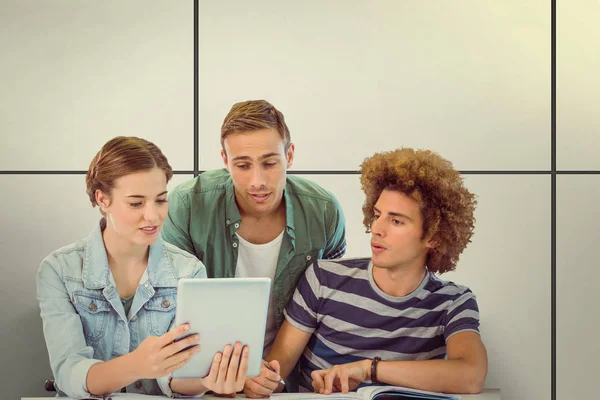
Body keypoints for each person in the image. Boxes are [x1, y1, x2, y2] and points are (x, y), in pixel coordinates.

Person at [244, 148, 488, 397]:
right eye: (377, 215)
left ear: (434, 236)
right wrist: (263, 382)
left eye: (396, 221)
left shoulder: (454, 302)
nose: (377, 229)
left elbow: (470, 376)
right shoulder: (323, 278)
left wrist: (369, 369)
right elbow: (276, 373)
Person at [37, 136, 249, 398]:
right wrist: (137, 365)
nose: (153, 216)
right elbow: (69, 373)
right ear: (103, 199)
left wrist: (208, 382)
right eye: (136, 203)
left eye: (160, 200)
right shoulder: (59, 270)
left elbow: (177, 377)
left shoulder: (188, 270)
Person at [162, 100, 346, 356]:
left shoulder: (324, 211)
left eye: (269, 163)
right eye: (243, 165)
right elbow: (169, 309)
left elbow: (330, 304)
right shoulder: (186, 206)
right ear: (225, 160)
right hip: (203, 370)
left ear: (289, 155)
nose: (257, 182)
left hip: (292, 376)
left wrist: (275, 373)